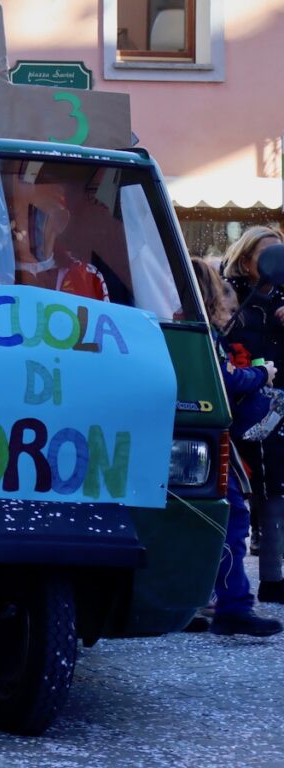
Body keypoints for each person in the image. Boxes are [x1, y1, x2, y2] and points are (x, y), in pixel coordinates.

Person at [190, 258, 282, 636]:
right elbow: (224, 378)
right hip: (203, 442)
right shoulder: (202, 337)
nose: (229, 316)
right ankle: (232, 606)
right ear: (209, 300)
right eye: (224, 308)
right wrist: (263, 374)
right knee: (229, 518)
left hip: (196, 439)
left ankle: (200, 601)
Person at [221, 227, 284, 603]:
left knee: (276, 484)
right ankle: (226, 586)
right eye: (266, 253)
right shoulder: (229, 297)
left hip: (277, 406)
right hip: (238, 404)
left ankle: (273, 577)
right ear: (245, 259)